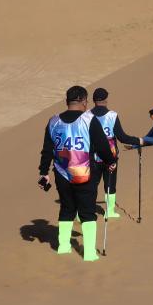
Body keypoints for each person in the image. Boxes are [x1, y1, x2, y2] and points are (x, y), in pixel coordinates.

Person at [38, 85, 116, 262]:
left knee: (67, 208)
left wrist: (44, 172)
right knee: (87, 211)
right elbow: (103, 146)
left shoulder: (53, 121)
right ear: (82, 100)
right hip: (85, 172)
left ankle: (63, 247)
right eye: (86, 101)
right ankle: (89, 253)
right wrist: (111, 162)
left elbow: (47, 150)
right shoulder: (89, 120)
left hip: (61, 173)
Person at [90, 88, 140, 220]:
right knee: (110, 183)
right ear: (106, 100)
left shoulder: (86, 115)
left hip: (92, 156)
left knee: (91, 184)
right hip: (110, 156)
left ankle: (85, 212)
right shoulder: (112, 115)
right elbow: (122, 137)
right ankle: (109, 211)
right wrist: (138, 140)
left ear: (94, 100)